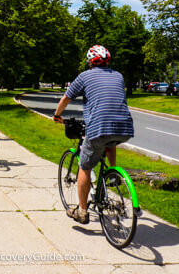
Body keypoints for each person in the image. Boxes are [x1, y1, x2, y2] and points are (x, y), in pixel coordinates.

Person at [53, 45, 134, 224]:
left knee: (85, 166)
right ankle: (112, 174)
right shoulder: (118, 75)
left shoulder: (85, 76)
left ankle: (82, 212)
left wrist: (57, 115)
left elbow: (66, 98)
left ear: (90, 61)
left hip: (99, 127)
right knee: (110, 142)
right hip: (125, 128)